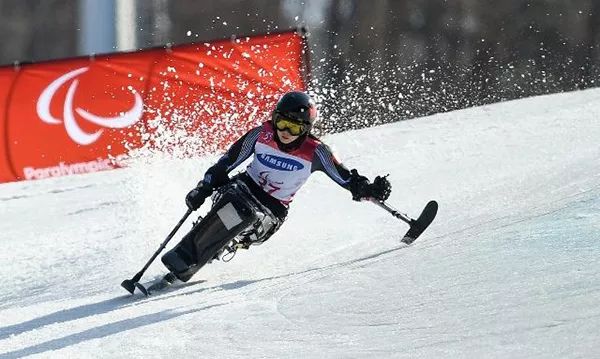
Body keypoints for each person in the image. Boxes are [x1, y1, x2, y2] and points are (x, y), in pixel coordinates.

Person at [156, 91, 391, 289]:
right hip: (242, 188)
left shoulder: (316, 152)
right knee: (235, 204)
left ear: (306, 129)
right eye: (281, 123)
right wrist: (203, 188)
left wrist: (368, 188)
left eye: (294, 127)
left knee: (244, 213)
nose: (285, 132)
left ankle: (208, 246)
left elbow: (347, 180)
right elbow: (225, 164)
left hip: (272, 211)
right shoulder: (261, 135)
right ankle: (189, 253)